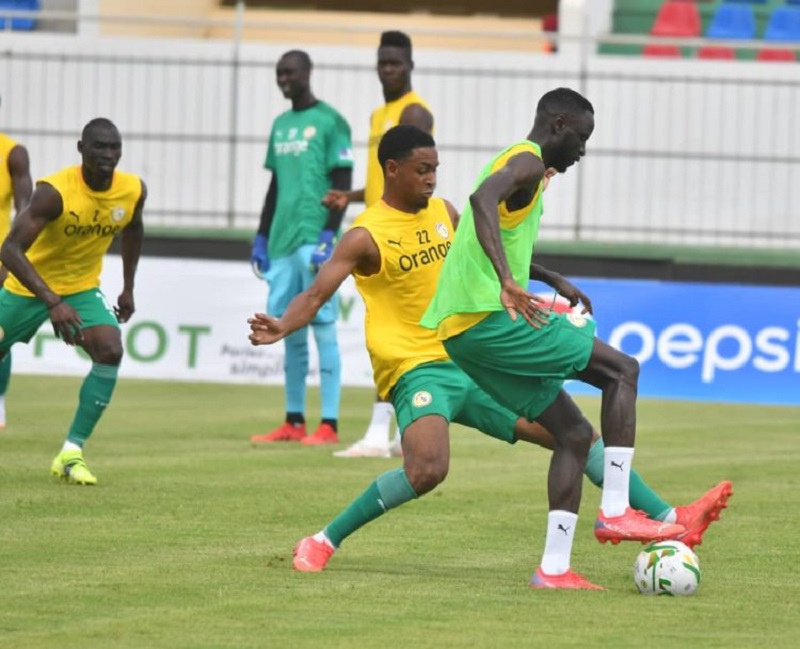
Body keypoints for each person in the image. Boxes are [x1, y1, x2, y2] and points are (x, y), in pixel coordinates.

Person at [249, 126, 730, 588]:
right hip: (417, 368)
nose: (432, 179)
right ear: (392, 170)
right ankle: (322, 540)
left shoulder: (445, 212)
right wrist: (283, 324)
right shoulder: (365, 234)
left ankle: (670, 518)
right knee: (426, 470)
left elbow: (486, 245)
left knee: (574, 435)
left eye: (436, 168)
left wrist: (545, 276)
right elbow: (315, 295)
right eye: (422, 170)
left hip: (473, 357)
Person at [420, 88, 728, 587]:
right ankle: (616, 509)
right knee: (622, 370)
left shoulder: (525, 169)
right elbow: (480, 201)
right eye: (582, 139)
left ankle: (554, 569)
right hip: (486, 319)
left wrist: (543, 276)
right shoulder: (524, 161)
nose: (583, 151)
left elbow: (479, 233)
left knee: (574, 434)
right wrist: (507, 282)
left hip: (463, 332)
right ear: (558, 125)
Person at [0, 117, 145, 484]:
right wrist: (51, 300)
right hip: (27, 287)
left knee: (110, 348)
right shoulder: (55, 191)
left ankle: (71, 452)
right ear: (82, 149)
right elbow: (10, 249)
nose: (108, 155)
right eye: (99, 147)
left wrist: (128, 287)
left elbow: (134, 229)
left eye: (114, 147)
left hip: (80, 287)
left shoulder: (132, 190)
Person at [323, 30, 434, 459]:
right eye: (383, 63)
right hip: (378, 230)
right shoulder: (378, 114)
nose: (388, 70)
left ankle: (381, 431)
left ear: (410, 65)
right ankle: (390, 429)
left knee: (393, 332)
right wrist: (349, 198)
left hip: (403, 236)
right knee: (390, 329)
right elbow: (387, 177)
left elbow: (414, 174)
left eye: (396, 63)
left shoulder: (415, 113)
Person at [248, 50, 354, 446]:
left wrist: (330, 235)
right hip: (281, 241)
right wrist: (261, 235)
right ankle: (293, 421)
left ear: (308, 73)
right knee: (286, 328)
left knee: (322, 326)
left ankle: (329, 424)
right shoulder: (280, 125)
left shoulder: (330, 121)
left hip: (314, 238)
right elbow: (275, 186)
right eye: (279, 73)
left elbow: (342, 181)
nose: (284, 79)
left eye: (290, 72)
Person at [0, 94, 34, 428]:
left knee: (0, 333)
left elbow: (26, 212)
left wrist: (10, 262)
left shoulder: (12, 154)